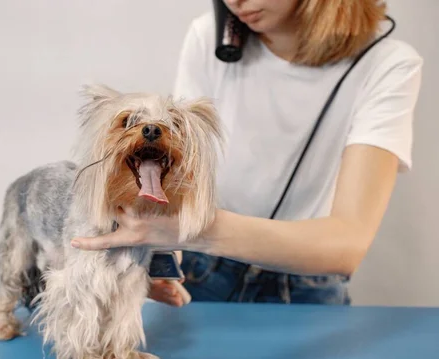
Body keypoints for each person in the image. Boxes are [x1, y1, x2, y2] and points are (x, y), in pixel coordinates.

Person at [70, 0, 424, 307]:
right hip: (201, 271)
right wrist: (165, 256)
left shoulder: (388, 64)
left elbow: (346, 245)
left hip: (306, 284)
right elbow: (180, 172)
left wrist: (188, 230)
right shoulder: (209, 36)